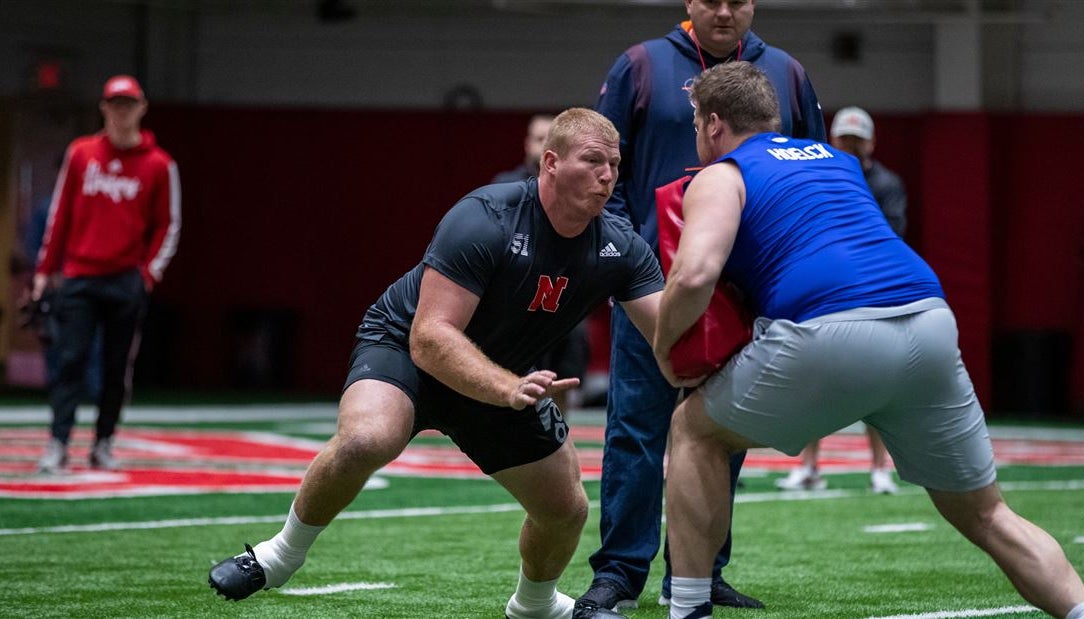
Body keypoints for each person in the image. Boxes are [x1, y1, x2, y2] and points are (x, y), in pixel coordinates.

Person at [655, 61, 1084, 619]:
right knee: (989, 514)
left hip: (831, 332)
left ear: (714, 124)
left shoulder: (722, 174)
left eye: (696, 125)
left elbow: (694, 275)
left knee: (694, 430)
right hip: (928, 322)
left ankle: (687, 608)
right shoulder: (840, 162)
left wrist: (664, 347)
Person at [208, 108, 667, 619]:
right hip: (407, 347)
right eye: (593, 161)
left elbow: (671, 335)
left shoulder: (620, 246)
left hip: (498, 375)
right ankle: (278, 556)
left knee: (565, 509)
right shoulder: (486, 217)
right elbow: (430, 339)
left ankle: (535, 605)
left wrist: (703, 289)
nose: (607, 176)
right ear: (551, 163)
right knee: (366, 439)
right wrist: (506, 389)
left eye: (614, 165)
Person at [578, 1, 825, 616]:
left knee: (722, 433)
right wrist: (625, 258)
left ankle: (701, 571)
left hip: (740, 284)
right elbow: (605, 169)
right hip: (651, 284)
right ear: (688, 1)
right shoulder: (641, 66)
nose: (724, 12)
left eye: (737, 0)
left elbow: (806, 173)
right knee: (635, 429)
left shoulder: (788, 73)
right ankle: (619, 574)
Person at [33, 75, 181, 474]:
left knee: (116, 368)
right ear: (103, 108)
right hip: (80, 275)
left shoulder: (160, 165)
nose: (121, 112)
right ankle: (58, 442)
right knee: (70, 359)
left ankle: (103, 442)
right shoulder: (81, 153)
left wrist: (148, 274)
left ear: (142, 108)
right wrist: (45, 270)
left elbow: (168, 224)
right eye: (115, 104)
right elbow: (60, 213)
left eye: (128, 104)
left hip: (125, 280)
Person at [775, 106, 907, 495]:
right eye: (844, 139)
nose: (849, 146)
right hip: (826, 289)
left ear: (870, 142)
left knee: (876, 382)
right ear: (832, 140)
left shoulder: (885, 184)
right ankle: (809, 465)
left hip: (870, 289)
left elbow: (890, 235)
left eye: (856, 139)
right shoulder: (819, 177)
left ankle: (880, 469)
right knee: (813, 376)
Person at [493, 113, 590, 415]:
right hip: (514, 302)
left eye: (550, 139)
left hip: (562, 297)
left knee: (562, 378)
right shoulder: (504, 187)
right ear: (527, 143)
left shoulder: (579, 191)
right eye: (538, 138)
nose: (543, 145)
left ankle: (556, 433)